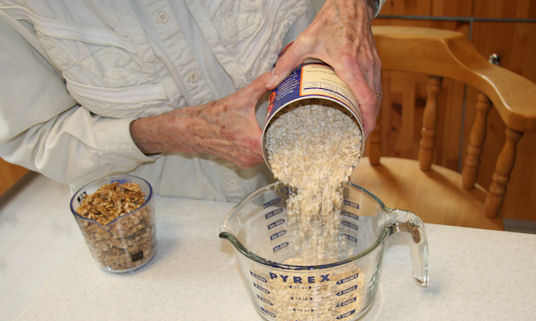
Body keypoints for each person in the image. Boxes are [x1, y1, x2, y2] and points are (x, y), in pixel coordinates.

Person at [0, 0, 383, 201]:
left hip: (310, 177)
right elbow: (34, 135)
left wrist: (351, 7)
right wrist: (171, 134)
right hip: (166, 229)